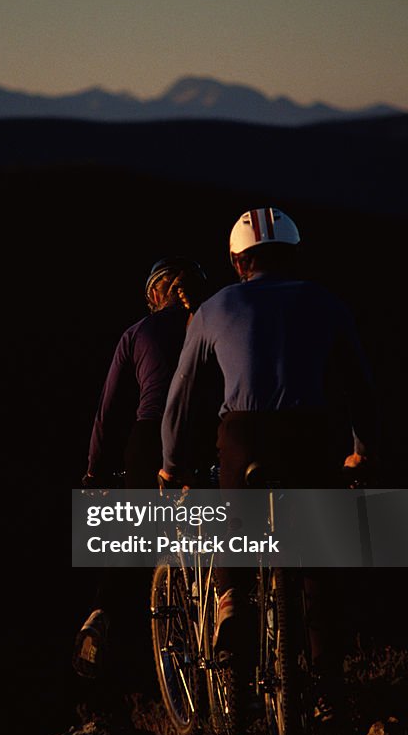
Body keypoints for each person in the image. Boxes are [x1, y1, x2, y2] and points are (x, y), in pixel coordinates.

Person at [159, 207, 377, 680]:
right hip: (310, 434)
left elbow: (179, 395)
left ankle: (232, 600)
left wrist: (172, 463)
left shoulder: (214, 308)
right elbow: (360, 387)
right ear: (293, 256)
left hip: (242, 434)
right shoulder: (327, 303)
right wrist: (362, 451)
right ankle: (327, 683)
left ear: (238, 263)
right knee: (317, 553)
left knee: (232, 516)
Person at [74, 255, 208, 680]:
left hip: (148, 437)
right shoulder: (210, 321)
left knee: (133, 533)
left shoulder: (136, 333)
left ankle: (102, 612)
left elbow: (107, 411)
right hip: (205, 432)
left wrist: (94, 472)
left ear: (154, 293)